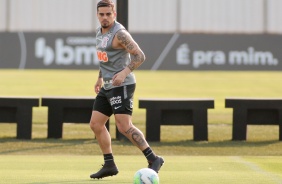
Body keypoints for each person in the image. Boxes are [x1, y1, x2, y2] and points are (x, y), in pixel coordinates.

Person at [89, 0, 164, 180]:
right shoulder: (99, 32)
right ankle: (109, 164)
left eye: (108, 14)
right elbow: (105, 58)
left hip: (122, 85)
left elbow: (140, 55)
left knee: (124, 126)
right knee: (96, 124)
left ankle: (153, 158)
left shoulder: (120, 34)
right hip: (107, 85)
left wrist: (124, 72)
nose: (105, 17)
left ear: (114, 14)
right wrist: (100, 77)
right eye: (102, 14)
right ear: (97, 15)